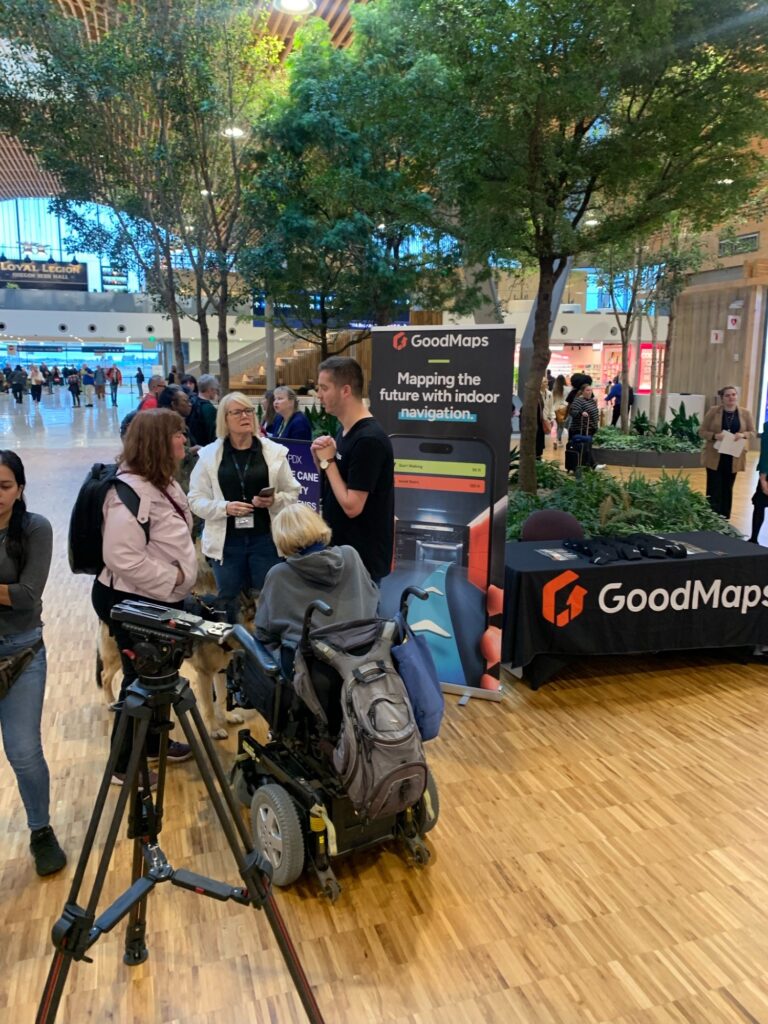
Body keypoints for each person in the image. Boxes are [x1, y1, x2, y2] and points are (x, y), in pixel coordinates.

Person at [92, 409, 198, 786]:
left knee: (162, 673)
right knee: (139, 679)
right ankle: (124, 765)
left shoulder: (162, 482)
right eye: (177, 434)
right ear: (158, 442)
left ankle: (154, 743)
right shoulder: (128, 493)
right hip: (130, 600)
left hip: (156, 597)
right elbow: (120, 556)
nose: (183, 440)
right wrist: (174, 579)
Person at [0, 450, 66, 875]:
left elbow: (27, 596)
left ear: (20, 488)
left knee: (23, 752)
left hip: (21, 653)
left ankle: (40, 830)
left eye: (4, 486)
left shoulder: (35, 528)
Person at [247, 504, 379, 716]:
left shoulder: (280, 574)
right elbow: (374, 600)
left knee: (253, 652)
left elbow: (264, 632)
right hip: (364, 660)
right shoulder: (351, 555)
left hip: (311, 673)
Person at [188, 392, 299, 619]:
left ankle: (266, 651)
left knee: (268, 601)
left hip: (265, 542)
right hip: (227, 544)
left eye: (248, 410)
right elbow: (195, 500)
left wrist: (274, 500)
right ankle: (232, 652)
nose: (245, 416)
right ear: (224, 419)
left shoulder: (273, 452)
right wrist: (225, 508)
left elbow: (293, 492)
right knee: (229, 602)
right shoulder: (209, 456)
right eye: (237, 412)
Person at [311, 356, 394, 585]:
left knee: (361, 622)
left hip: (362, 562)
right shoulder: (345, 431)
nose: (319, 395)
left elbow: (352, 506)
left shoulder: (368, 440)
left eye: (324, 388)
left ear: (345, 390)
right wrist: (321, 462)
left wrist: (328, 463)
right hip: (342, 555)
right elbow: (339, 484)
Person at [699, 385, 755, 520]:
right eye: (728, 395)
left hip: (733, 456)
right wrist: (714, 436)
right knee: (714, 488)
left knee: (727, 488)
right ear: (722, 398)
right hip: (715, 456)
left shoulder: (745, 413)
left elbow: (752, 432)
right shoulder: (713, 412)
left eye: (733, 394)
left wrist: (743, 435)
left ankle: (725, 519)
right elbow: (702, 431)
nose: (731, 397)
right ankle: (711, 518)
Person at [187, 373, 219, 446]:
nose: (216, 392)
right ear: (209, 390)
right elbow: (213, 434)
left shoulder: (191, 402)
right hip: (205, 448)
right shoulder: (209, 409)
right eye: (215, 389)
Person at [535, 376, 554, 459]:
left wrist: (551, 417)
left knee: (541, 438)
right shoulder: (535, 394)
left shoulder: (549, 394)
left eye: (547, 381)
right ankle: (536, 456)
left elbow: (551, 407)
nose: (547, 383)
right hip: (536, 420)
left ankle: (539, 455)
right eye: (544, 382)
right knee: (537, 437)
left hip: (545, 419)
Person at [552, 374, 568, 450]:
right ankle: (557, 440)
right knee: (561, 427)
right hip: (563, 409)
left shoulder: (554, 389)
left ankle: (559, 441)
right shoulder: (567, 389)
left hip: (555, 409)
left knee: (558, 426)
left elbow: (552, 401)